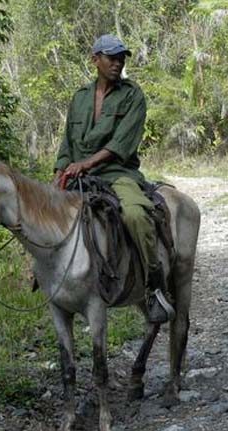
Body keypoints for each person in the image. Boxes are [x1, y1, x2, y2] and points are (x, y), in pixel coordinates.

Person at [53, 34, 174, 324]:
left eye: (121, 58)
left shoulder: (132, 95)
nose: (117, 63)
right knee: (41, 215)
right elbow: (67, 141)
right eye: (111, 57)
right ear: (95, 59)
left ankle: (154, 285)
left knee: (135, 215)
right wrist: (60, 172)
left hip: (117, 173)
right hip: (77, 172)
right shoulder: (80, 97)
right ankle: (48, 278)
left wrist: (85, 164)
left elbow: (123, 143)